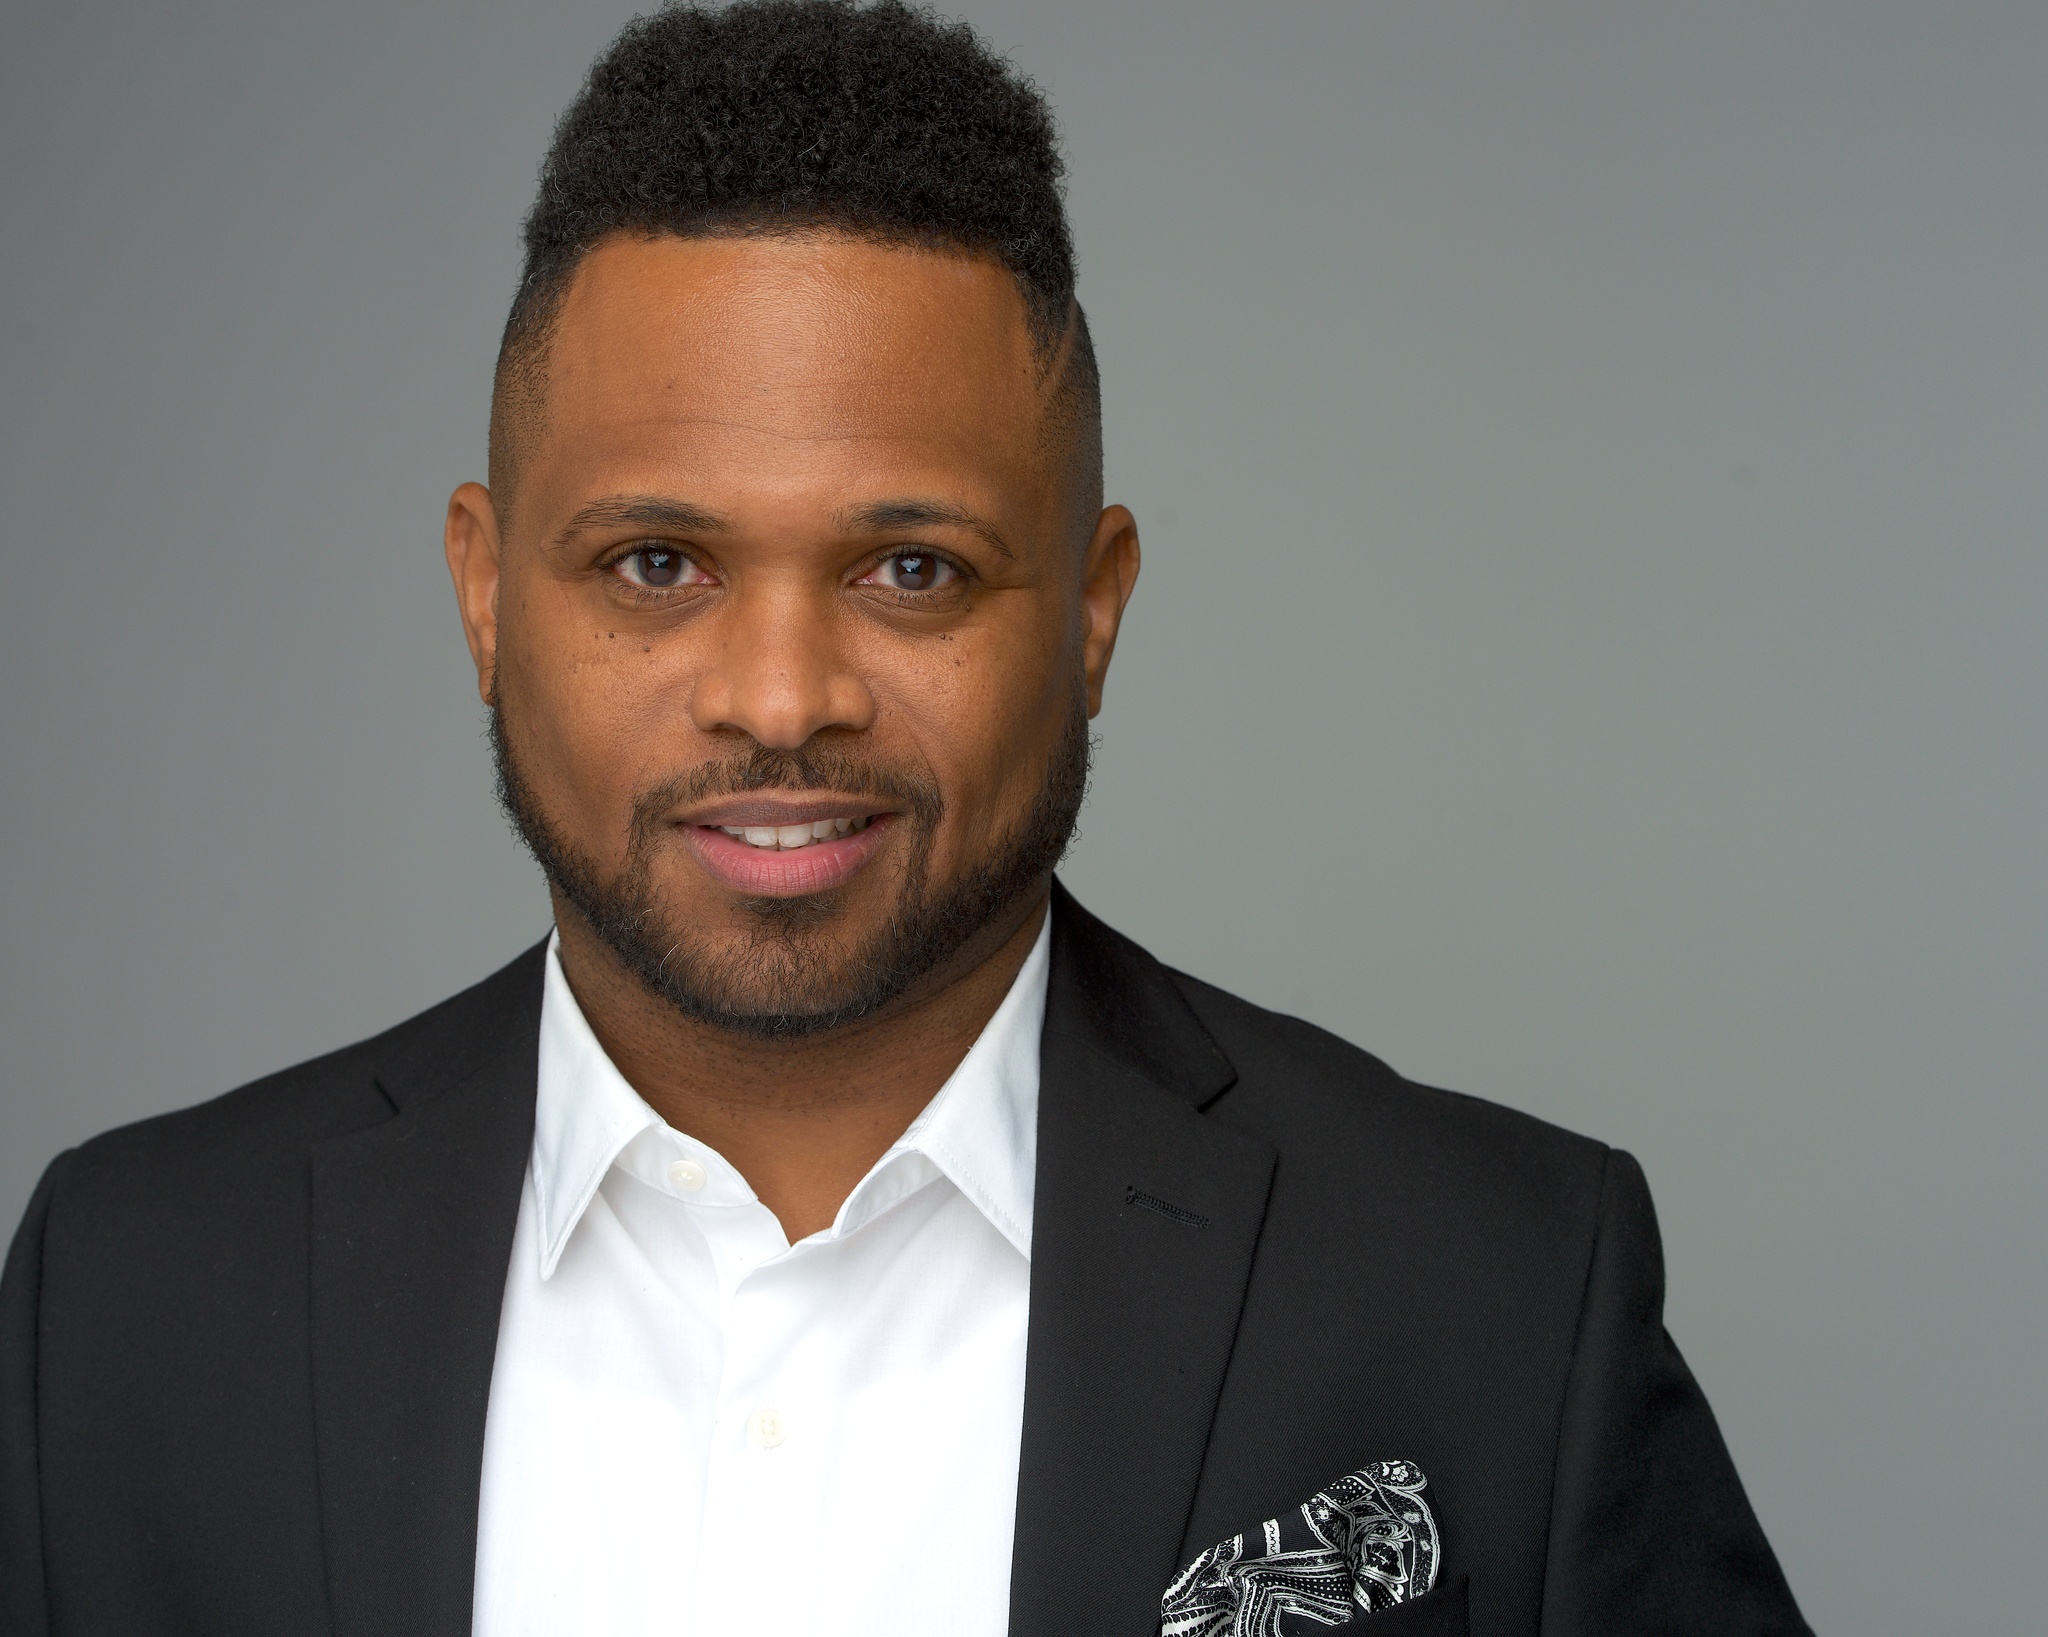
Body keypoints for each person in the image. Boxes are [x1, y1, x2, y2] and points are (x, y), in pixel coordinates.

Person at [0, 4, 1813, 1634]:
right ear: (485, 593)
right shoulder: (121, 1303)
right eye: (657, 562)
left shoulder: (1496, 1289)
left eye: (910, 568)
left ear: (1093, 609)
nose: (783, 696)